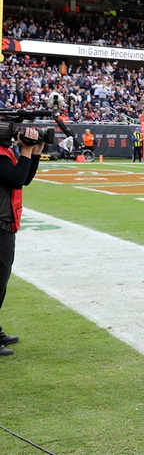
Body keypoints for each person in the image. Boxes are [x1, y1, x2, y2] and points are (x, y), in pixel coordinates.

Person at [0, 126, 43, 356]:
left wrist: (34, 153)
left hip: (5, 225)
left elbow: (23, 179)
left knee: (2, 282)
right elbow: (17, 180)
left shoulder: (3, 154)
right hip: (0, 226)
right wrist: (26, 150)